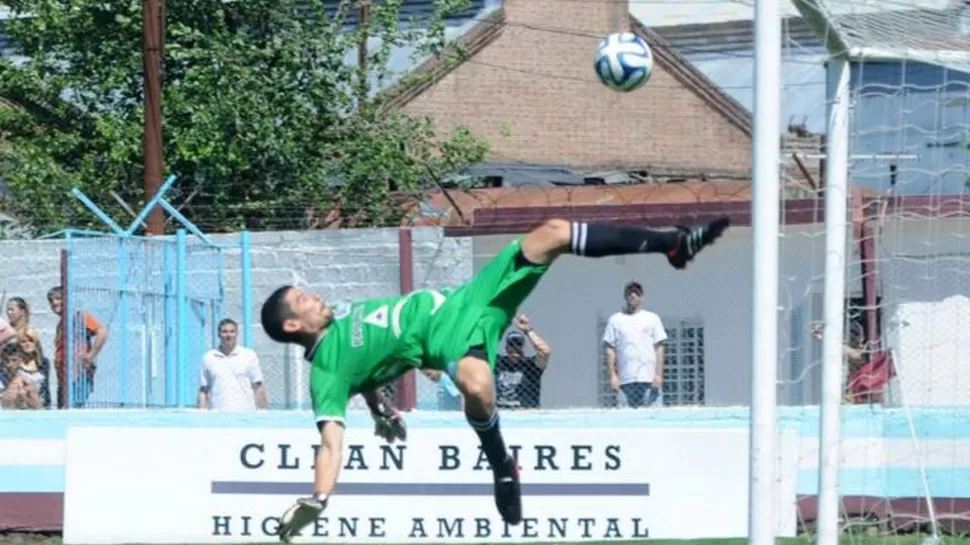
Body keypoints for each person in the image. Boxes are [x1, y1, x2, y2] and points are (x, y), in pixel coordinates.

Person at [260, 216, 730, 542]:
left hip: (471, 298)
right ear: (292, 327)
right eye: (302, 299)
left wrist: (379, 406)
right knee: (479, 386)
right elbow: (330, 442)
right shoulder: (325, 373)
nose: (314, 296)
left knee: (552, 234)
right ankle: (501, 463)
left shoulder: (339, 326)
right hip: (448, 340)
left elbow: (367, 363)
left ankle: (672, 243)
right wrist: (318, 499)